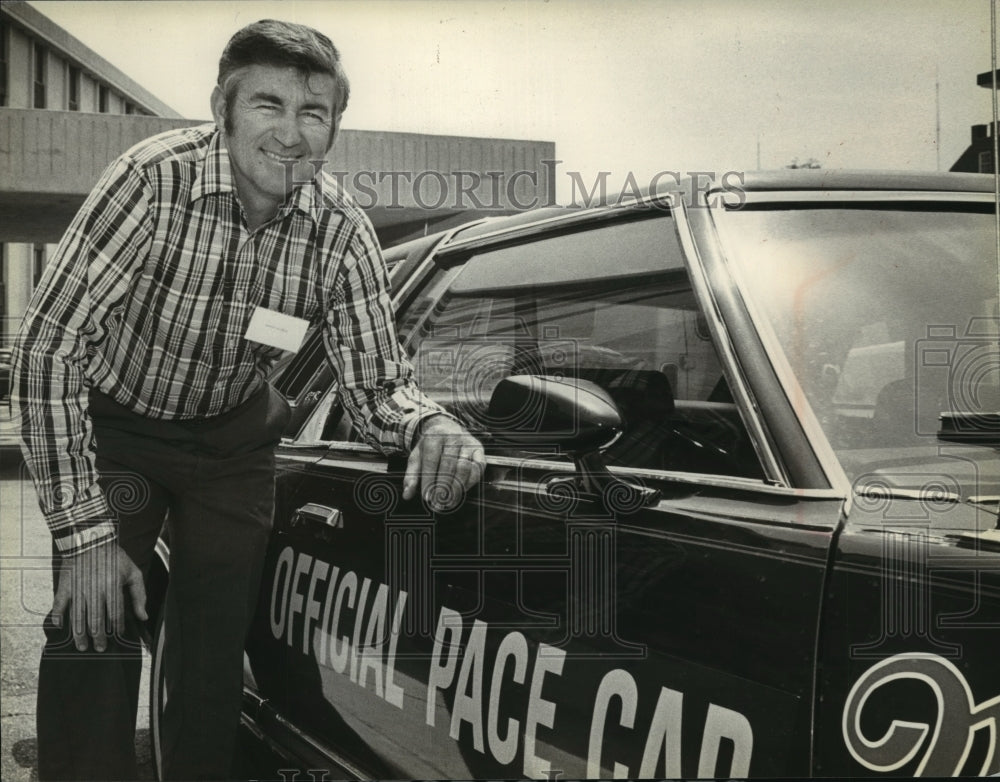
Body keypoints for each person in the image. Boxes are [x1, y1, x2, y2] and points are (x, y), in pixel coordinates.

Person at [12, 19, 484, 781]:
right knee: (94, 620)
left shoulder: (341, 232)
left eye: (314, 113)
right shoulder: (151, 182)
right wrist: (85, 536)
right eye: (269, 106)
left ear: (335, 128)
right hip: (120, 428)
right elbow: (47, 350)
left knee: (211, 649)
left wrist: (429, 420)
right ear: (222, 108)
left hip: (232, 444)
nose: (291, 136)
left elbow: (373, 382)